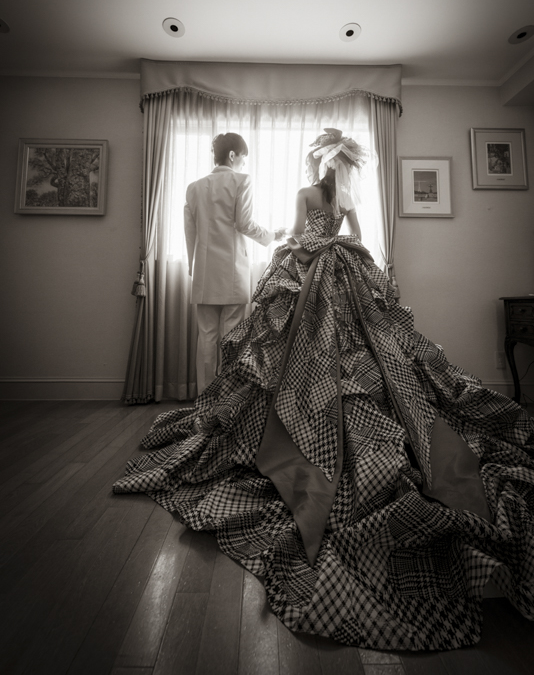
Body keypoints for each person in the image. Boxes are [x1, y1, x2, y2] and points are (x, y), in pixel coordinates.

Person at [114, 128, 534, 651]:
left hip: (264, 270)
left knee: (253, 347)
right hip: (343, 271)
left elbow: (295, 236)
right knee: (363, 349)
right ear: (345, 168)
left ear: (317, 163)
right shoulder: (346, 199)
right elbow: (358, 239)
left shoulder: (297, 193)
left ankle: (223, 404)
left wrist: (293, 247)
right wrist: (344, 256)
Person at [184, 132, 285, 392]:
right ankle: (228, 396)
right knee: (233, 336)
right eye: (243, 158)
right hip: (232, 272)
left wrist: (192, 265)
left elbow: (190, 232)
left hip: (204, 273)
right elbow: (245, 224)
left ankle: (205, 396)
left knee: (206, 336)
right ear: (232, 155)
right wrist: (272, 235)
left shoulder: (194, 187)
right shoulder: (242, 180)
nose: (243, 163)